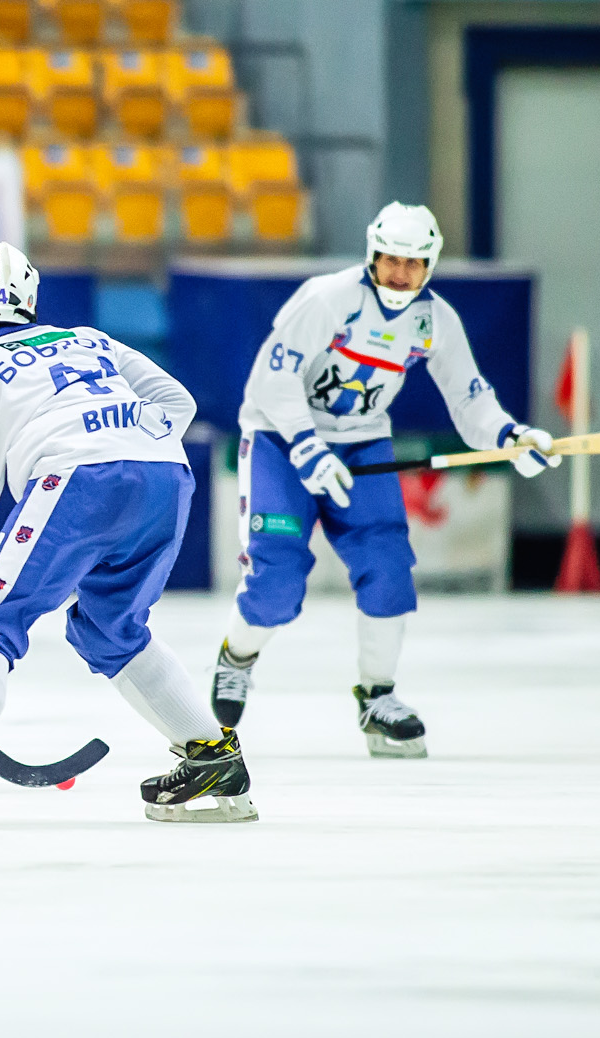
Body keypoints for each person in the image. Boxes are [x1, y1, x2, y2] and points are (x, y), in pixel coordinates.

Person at [0, 242, 258, 827]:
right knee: (111, 628)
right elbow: (178, 401)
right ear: (29, 296)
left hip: (80, 479)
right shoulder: (89, 339)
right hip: (166, 477)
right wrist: (134, 438)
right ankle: (211, 757)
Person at [210, 202, 561, 758]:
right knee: (276, 576)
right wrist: (306, 445)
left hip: (362, 442)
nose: (400, 274)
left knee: (389, 565)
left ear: (430, 266)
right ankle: (237, 659)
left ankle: (377, 697)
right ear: (373, 257)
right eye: (390, 261)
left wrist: (510, 437)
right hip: (281, 438)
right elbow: (270, 379)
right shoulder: (327, 299)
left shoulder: (436, 322)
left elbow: (471, 398)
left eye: (413, 264)